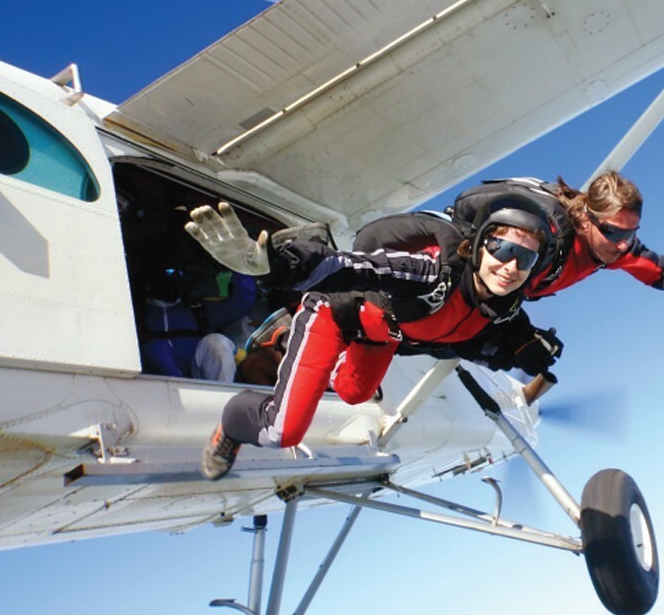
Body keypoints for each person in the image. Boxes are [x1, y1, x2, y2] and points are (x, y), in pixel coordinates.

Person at [184, 195, 557, 480]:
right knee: (283, 431)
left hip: (379, 338)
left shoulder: (503, 311)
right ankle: (233, 424)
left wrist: (523, 351)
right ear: (478, 246)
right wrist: (277, 265)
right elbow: (350, 266)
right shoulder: (432, 276)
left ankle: (301, 357)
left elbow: (470, 339)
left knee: (355, 394)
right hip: (335, 315)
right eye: (502, 249)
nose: (509, 266)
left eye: (524, 259)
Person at [451, 171, 664, 302]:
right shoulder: (542, 236)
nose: (623, 243)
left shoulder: (618, 248)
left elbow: (659, 270)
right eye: (612, 231)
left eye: (630, 232)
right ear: (586, 219)